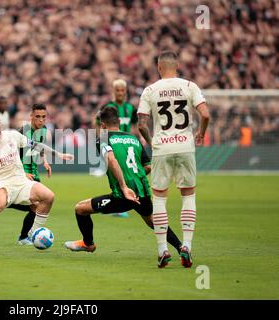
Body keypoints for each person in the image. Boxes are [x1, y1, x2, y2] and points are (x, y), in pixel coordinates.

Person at [64, 106, 182, 265]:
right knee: (152, 221)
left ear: (103, 125)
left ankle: (88, 244)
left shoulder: (104, 139)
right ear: (119, 122)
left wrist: (124, 186)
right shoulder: (133, 138)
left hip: (123, 195)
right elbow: (148, 166)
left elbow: (112, 160)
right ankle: (181, 248)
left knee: (80, 209)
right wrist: (135, 179)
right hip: (143, 190)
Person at [137, 50, 210, 268]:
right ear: (176, 65)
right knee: (188, 195)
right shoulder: (189, 86)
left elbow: (141, 124)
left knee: (159, 198)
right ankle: (186, 245)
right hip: (185, 147)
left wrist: (151, 142)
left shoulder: (150, 90)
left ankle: (162, 249)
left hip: (162, 148)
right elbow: (205, 114)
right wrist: (201, 134)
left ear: (159, 67)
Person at [0, 111, 73, 254]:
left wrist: (59, 154)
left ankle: (33, 232)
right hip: (2, 184)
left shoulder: (12, 135)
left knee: (49, 196)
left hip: (21, 181)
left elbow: (36, 145)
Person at [9, 103, 52, 245]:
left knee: (37, 205)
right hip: (22, 174)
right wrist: (23, 173)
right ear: (31, 116)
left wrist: (45, 161)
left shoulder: (44, 130)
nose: (41, 120)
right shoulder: (22, 132)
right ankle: (24, 236)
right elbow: (11, 155)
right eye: (38, 116)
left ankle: (25, 236)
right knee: (36, 205)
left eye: (44, 117)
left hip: (34, 173)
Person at [102, 79, 138, 218]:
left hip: (127, 144)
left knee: (125, 172)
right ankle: (121, 204)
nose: (120, 93)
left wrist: (138, 139)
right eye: (118, 90)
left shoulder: (130, 108)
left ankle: (123, 202)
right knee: (116, 172)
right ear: (114, 91)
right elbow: (98, 122)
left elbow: (134, 126)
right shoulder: (108, 107)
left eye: (122, 90)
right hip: (113, 143)